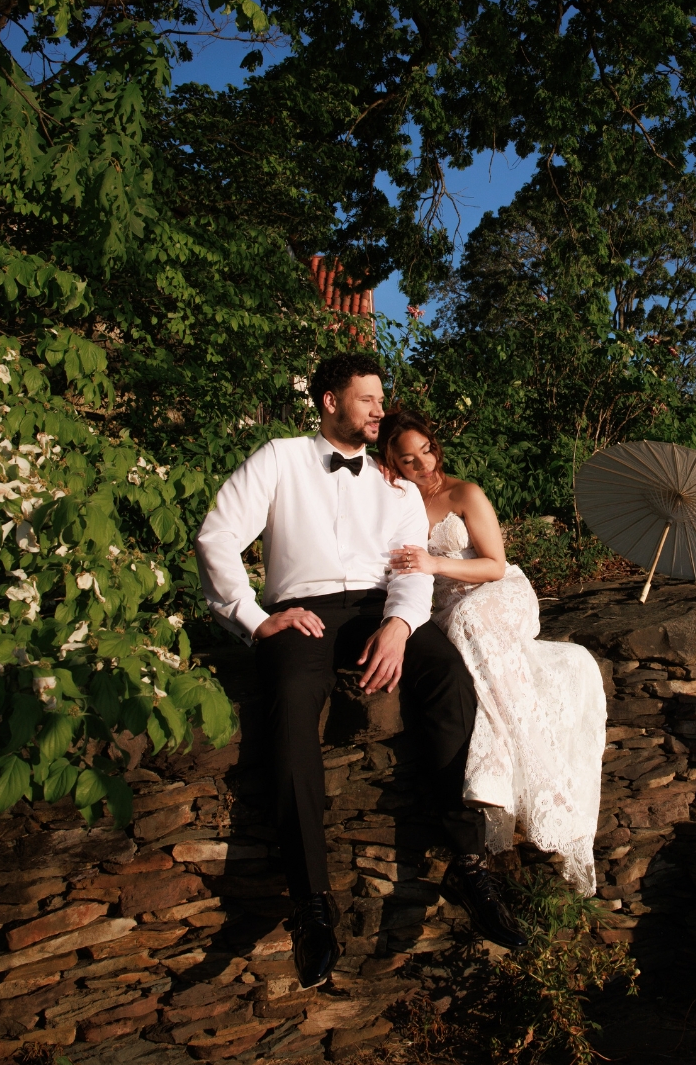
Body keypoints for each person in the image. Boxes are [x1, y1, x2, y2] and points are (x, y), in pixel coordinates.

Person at [194, 352, 528, 989]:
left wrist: (401, 627)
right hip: (305, 611)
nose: (380, 409)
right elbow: (216, 538)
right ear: (328, 400)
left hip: (382, 605)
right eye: (367, 399)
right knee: (290, 705)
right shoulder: (279, 457)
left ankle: (467, 862)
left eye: (381, 399)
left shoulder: (397, 487)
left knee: (450, 679)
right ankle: (311, 902)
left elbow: (410, 570)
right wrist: (255, 617)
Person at [376, 410, 607, 896]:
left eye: (426, 450)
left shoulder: (465, 493)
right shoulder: (397, 501)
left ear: (435, 446)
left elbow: (496, 565)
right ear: (391, 463)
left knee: (468, 621)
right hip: (442, 607)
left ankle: (541, 786)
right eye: (406, 458)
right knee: (455, 631)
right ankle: (499, 769)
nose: (421, 463)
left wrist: (434, 561)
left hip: (497, 595)